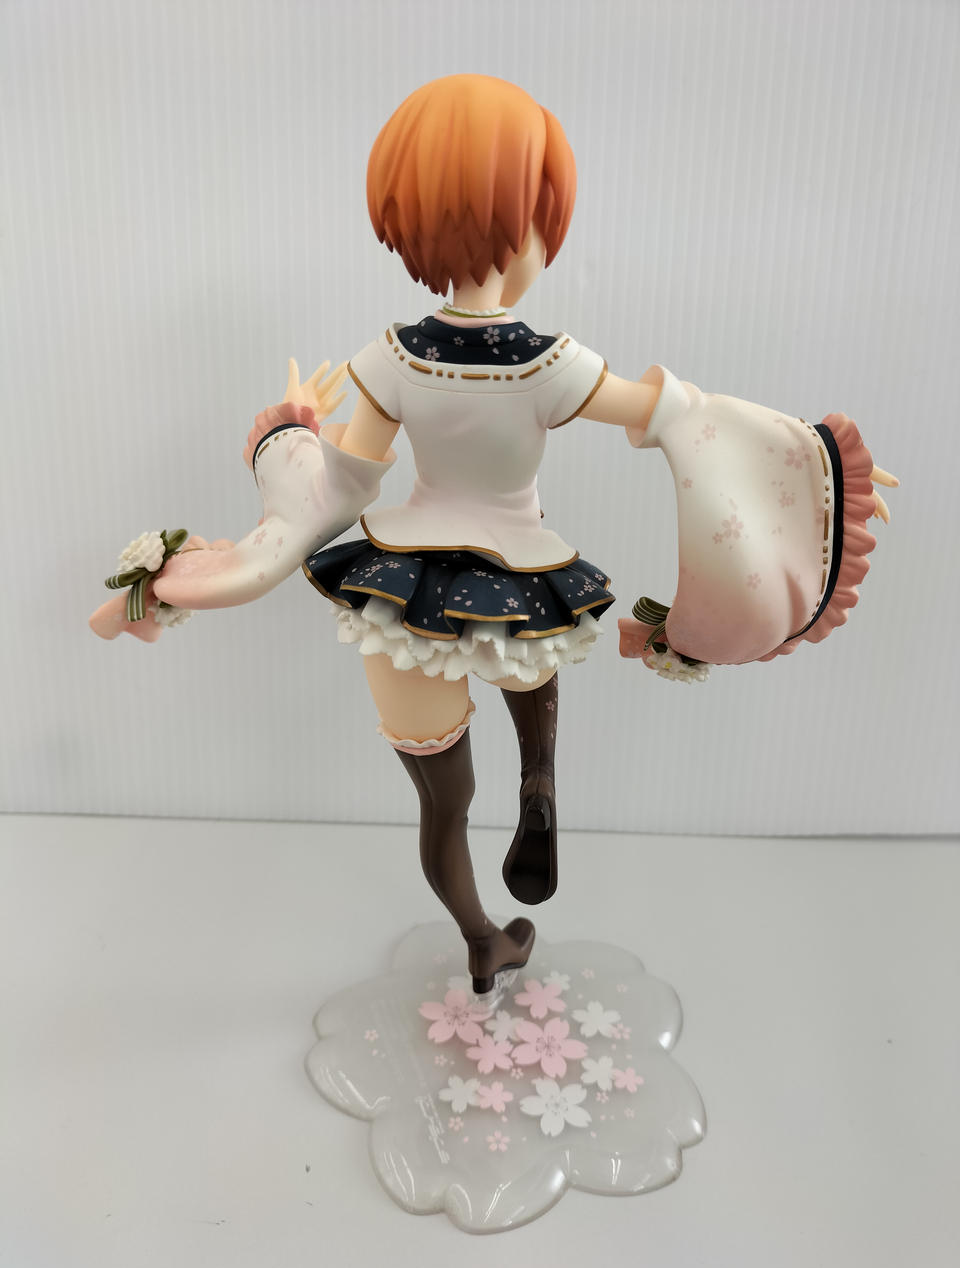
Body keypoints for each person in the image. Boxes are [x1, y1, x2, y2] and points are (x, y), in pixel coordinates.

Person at [91, 75, 897, 994]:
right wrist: (806, 462)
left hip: (401, 591)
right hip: (519, 577)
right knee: (531, 657)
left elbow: (345, 483)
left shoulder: (391, 356)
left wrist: (289, 442)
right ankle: (539, 778)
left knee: (441, 802)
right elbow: (674, 412)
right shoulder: (551, 363)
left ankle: (481, 937)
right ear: (527, 225)